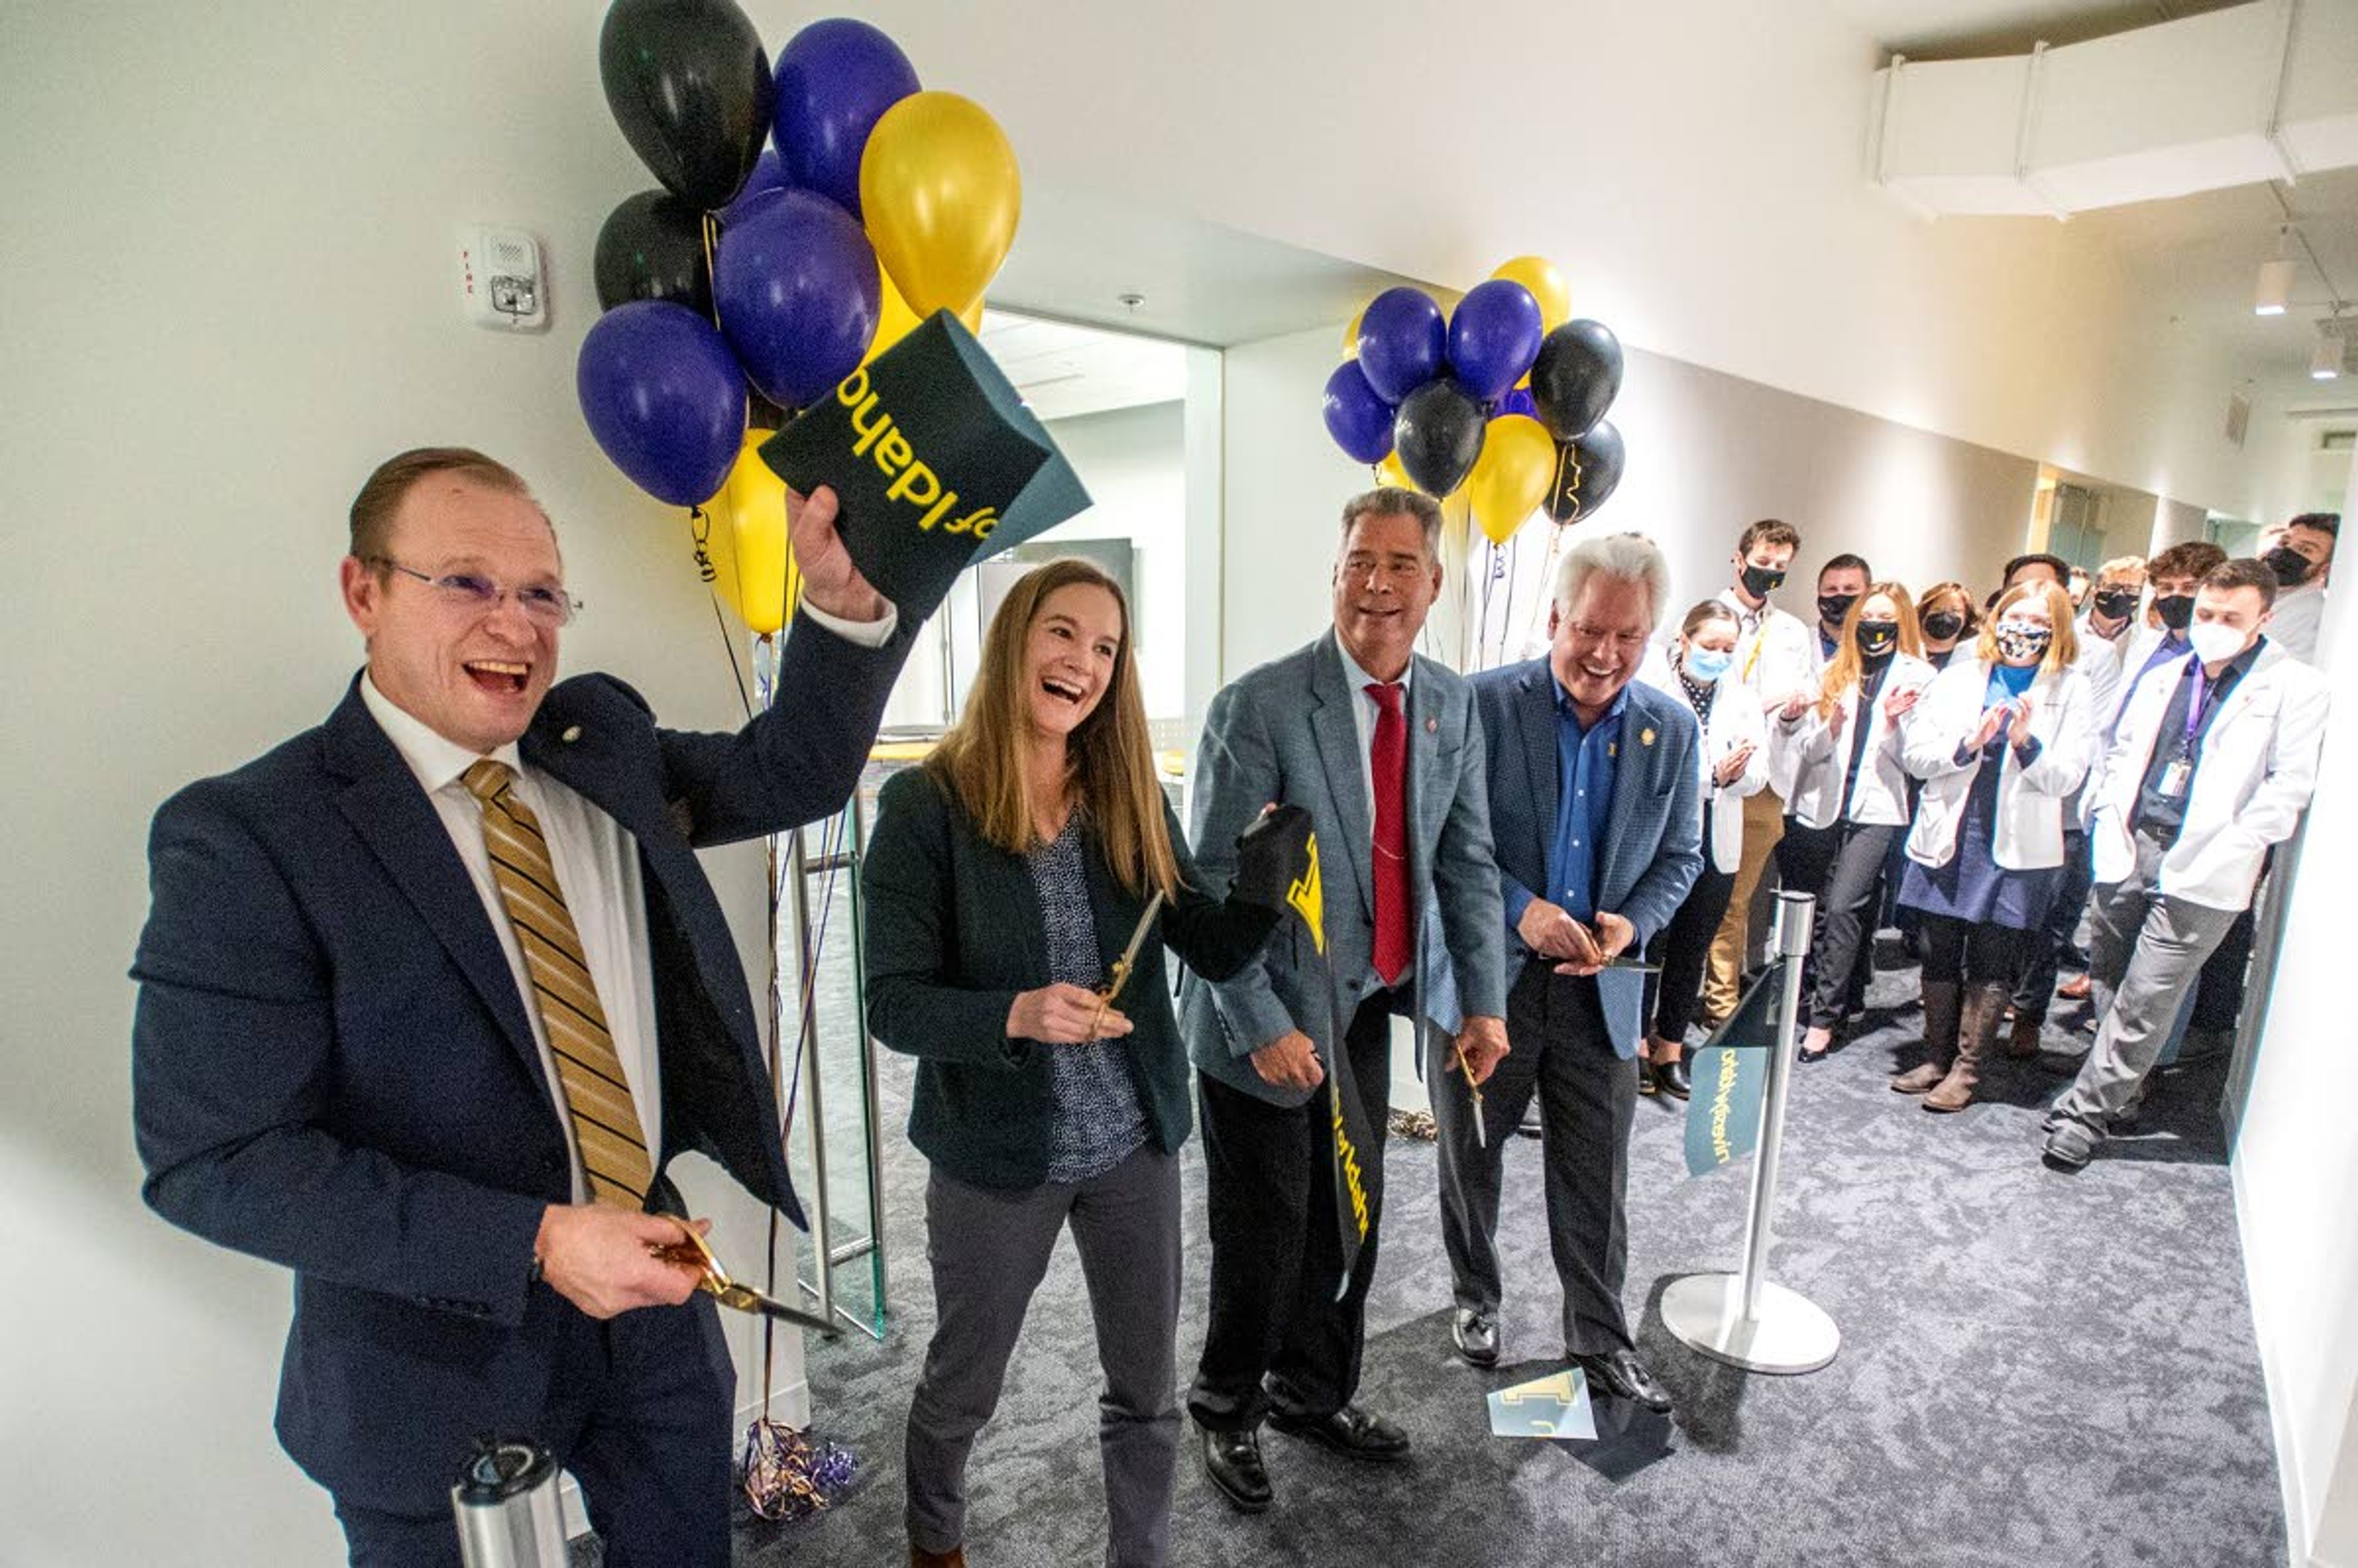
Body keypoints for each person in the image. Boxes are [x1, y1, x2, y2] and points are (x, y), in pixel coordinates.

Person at [130, 449, 911, 1566]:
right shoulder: (250, 835)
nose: (516, 623)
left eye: (543, 592)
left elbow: (790, 773)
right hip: (425, 1360)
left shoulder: (597, 751)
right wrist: (537, 1241)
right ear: (365, 592)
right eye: (466, 582)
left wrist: (838, 615)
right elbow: (216, 1158)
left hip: (653, 1313)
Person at [861, 559, 1290, 1568]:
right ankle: (936, 1541)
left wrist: (1264, 885)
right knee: (964, 1381)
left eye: (1107, 647)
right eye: (1064, 633)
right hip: (994, 1153)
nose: (1083, 663)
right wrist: (1018, 1010)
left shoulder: (1128, 797)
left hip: (1133, 1145)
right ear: (1016, 639)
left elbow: (1214, 948)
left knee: (1145, 1390)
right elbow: (893, 1000)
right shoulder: (927, 805)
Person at [1183, 487, 1508, 1514]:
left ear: (1434, 584)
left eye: (1401, 564)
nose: (1378, 583)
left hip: (1362, 1007)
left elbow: (1468, 862)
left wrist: (1482, 1000)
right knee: (1266, 1228)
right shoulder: (1263, 705)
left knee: (1349, 1213)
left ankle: (1311, 1391)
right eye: (1361, 560)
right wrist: (1266, 1024)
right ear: (1335, 571)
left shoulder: (1452, 705)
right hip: (1262, 1016)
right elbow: (1205, 890)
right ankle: (1225, 1406)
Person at [1442, 534, 1702, 1411]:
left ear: (1650, 634)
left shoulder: (1673, 728)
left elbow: (1683, 854)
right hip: (1491, 987)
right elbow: (1451, 837)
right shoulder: (1481, 705)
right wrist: (1525, 909)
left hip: (1601, 995)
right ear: (1555, 616)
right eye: (1590, 629)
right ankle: (1476, 1296)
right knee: (1471, 1153)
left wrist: (1635, 925)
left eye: (1629, 636)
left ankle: (1599, 1335)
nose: (1605, 653)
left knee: (1598, 1175)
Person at [2044, 559, 2331, 1170]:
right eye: (2206, 613)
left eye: (2231, 617)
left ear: (2264, 619)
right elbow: (2121, 753)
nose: (2213, 626)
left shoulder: (2297, 688)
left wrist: (2238, 842)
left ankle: (2084, 1113)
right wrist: (2105, 816)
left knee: (2151, 993)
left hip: (2209, 861)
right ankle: (2122, 1089)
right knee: (2110, 978)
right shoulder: (2166, 674)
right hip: (2132, 842)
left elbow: (2288, 786)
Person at [1893, 583, 2095, 1111]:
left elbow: (2067, 778)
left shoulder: (2072, 687)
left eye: (2035, 621)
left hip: (2016, 841)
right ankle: (1935, 1056)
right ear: (1995, 619)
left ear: (2056, 629)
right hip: (1953, 829)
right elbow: (1918, 755)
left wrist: (2027, 743)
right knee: (1937, 948)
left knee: (1991, 957)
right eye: (2012, 617)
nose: (2020, 630)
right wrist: (1969, 745)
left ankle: (1967, 1069)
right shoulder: (1959, 677)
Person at [1773, 580, 1934, 1061]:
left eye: (1886, 620)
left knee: (1845, 905)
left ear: (1900, 623)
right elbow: (1809, 749)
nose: (1875, 628)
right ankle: (1831, 998)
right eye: (1867, 619)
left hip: (1878, 809)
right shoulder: (1833, 671)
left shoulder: (1919, 678)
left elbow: (1918, 761)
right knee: (1822, 910)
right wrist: (1831, 726)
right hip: (1825, 804)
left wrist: (1891, 721)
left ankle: (1824, 1018)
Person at [1638, 600, 1768, 1098]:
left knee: (1693, 947)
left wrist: (1734, 776)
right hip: (1663, 836)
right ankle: (1636, 1049)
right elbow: (1651, 764)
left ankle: (1670, 1047)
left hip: (1718, 835)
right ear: (1684, 639)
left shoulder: (1741, 698)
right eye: (1710, 645)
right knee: (1652, 943)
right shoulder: (1655, 688)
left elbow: (1759, 770)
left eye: (1728, 649)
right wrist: (1711, 776)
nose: (1718, 656)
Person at [2010, 556, 2144, 1036]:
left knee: (2045, 920)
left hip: (2060, 808)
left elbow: (2091, 739)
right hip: (1999, 803)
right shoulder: (1992, 655)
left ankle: (2027, 1013)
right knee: (2001, 921)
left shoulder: (2093, 658)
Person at [1700, 520, 1813, 1030]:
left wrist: (1789, 711)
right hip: (1711, 775)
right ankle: (1695, 995)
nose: (1768, 575)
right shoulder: (1709, 618)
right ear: (1739, 558)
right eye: (1762, 564)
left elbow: (1800, 704)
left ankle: (1720, 1000)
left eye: (1780, 569)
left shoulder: (1791, 632)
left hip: (1765, 779)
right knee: (1698, 893)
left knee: (1739, 898)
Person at [2261, 512, 2336, 665]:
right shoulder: (2258, 592)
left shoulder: (2313, 613)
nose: (2286, 552)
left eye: (2305, 549)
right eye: (2284, 542)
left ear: (2324, 569)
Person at [1916, 581, 1980, 669]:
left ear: (1966, 617)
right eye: (1937, 609)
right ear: (1925, 613)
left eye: (1955, 611)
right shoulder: (1906, 648)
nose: (1945, 616)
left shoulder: (1973, 655)